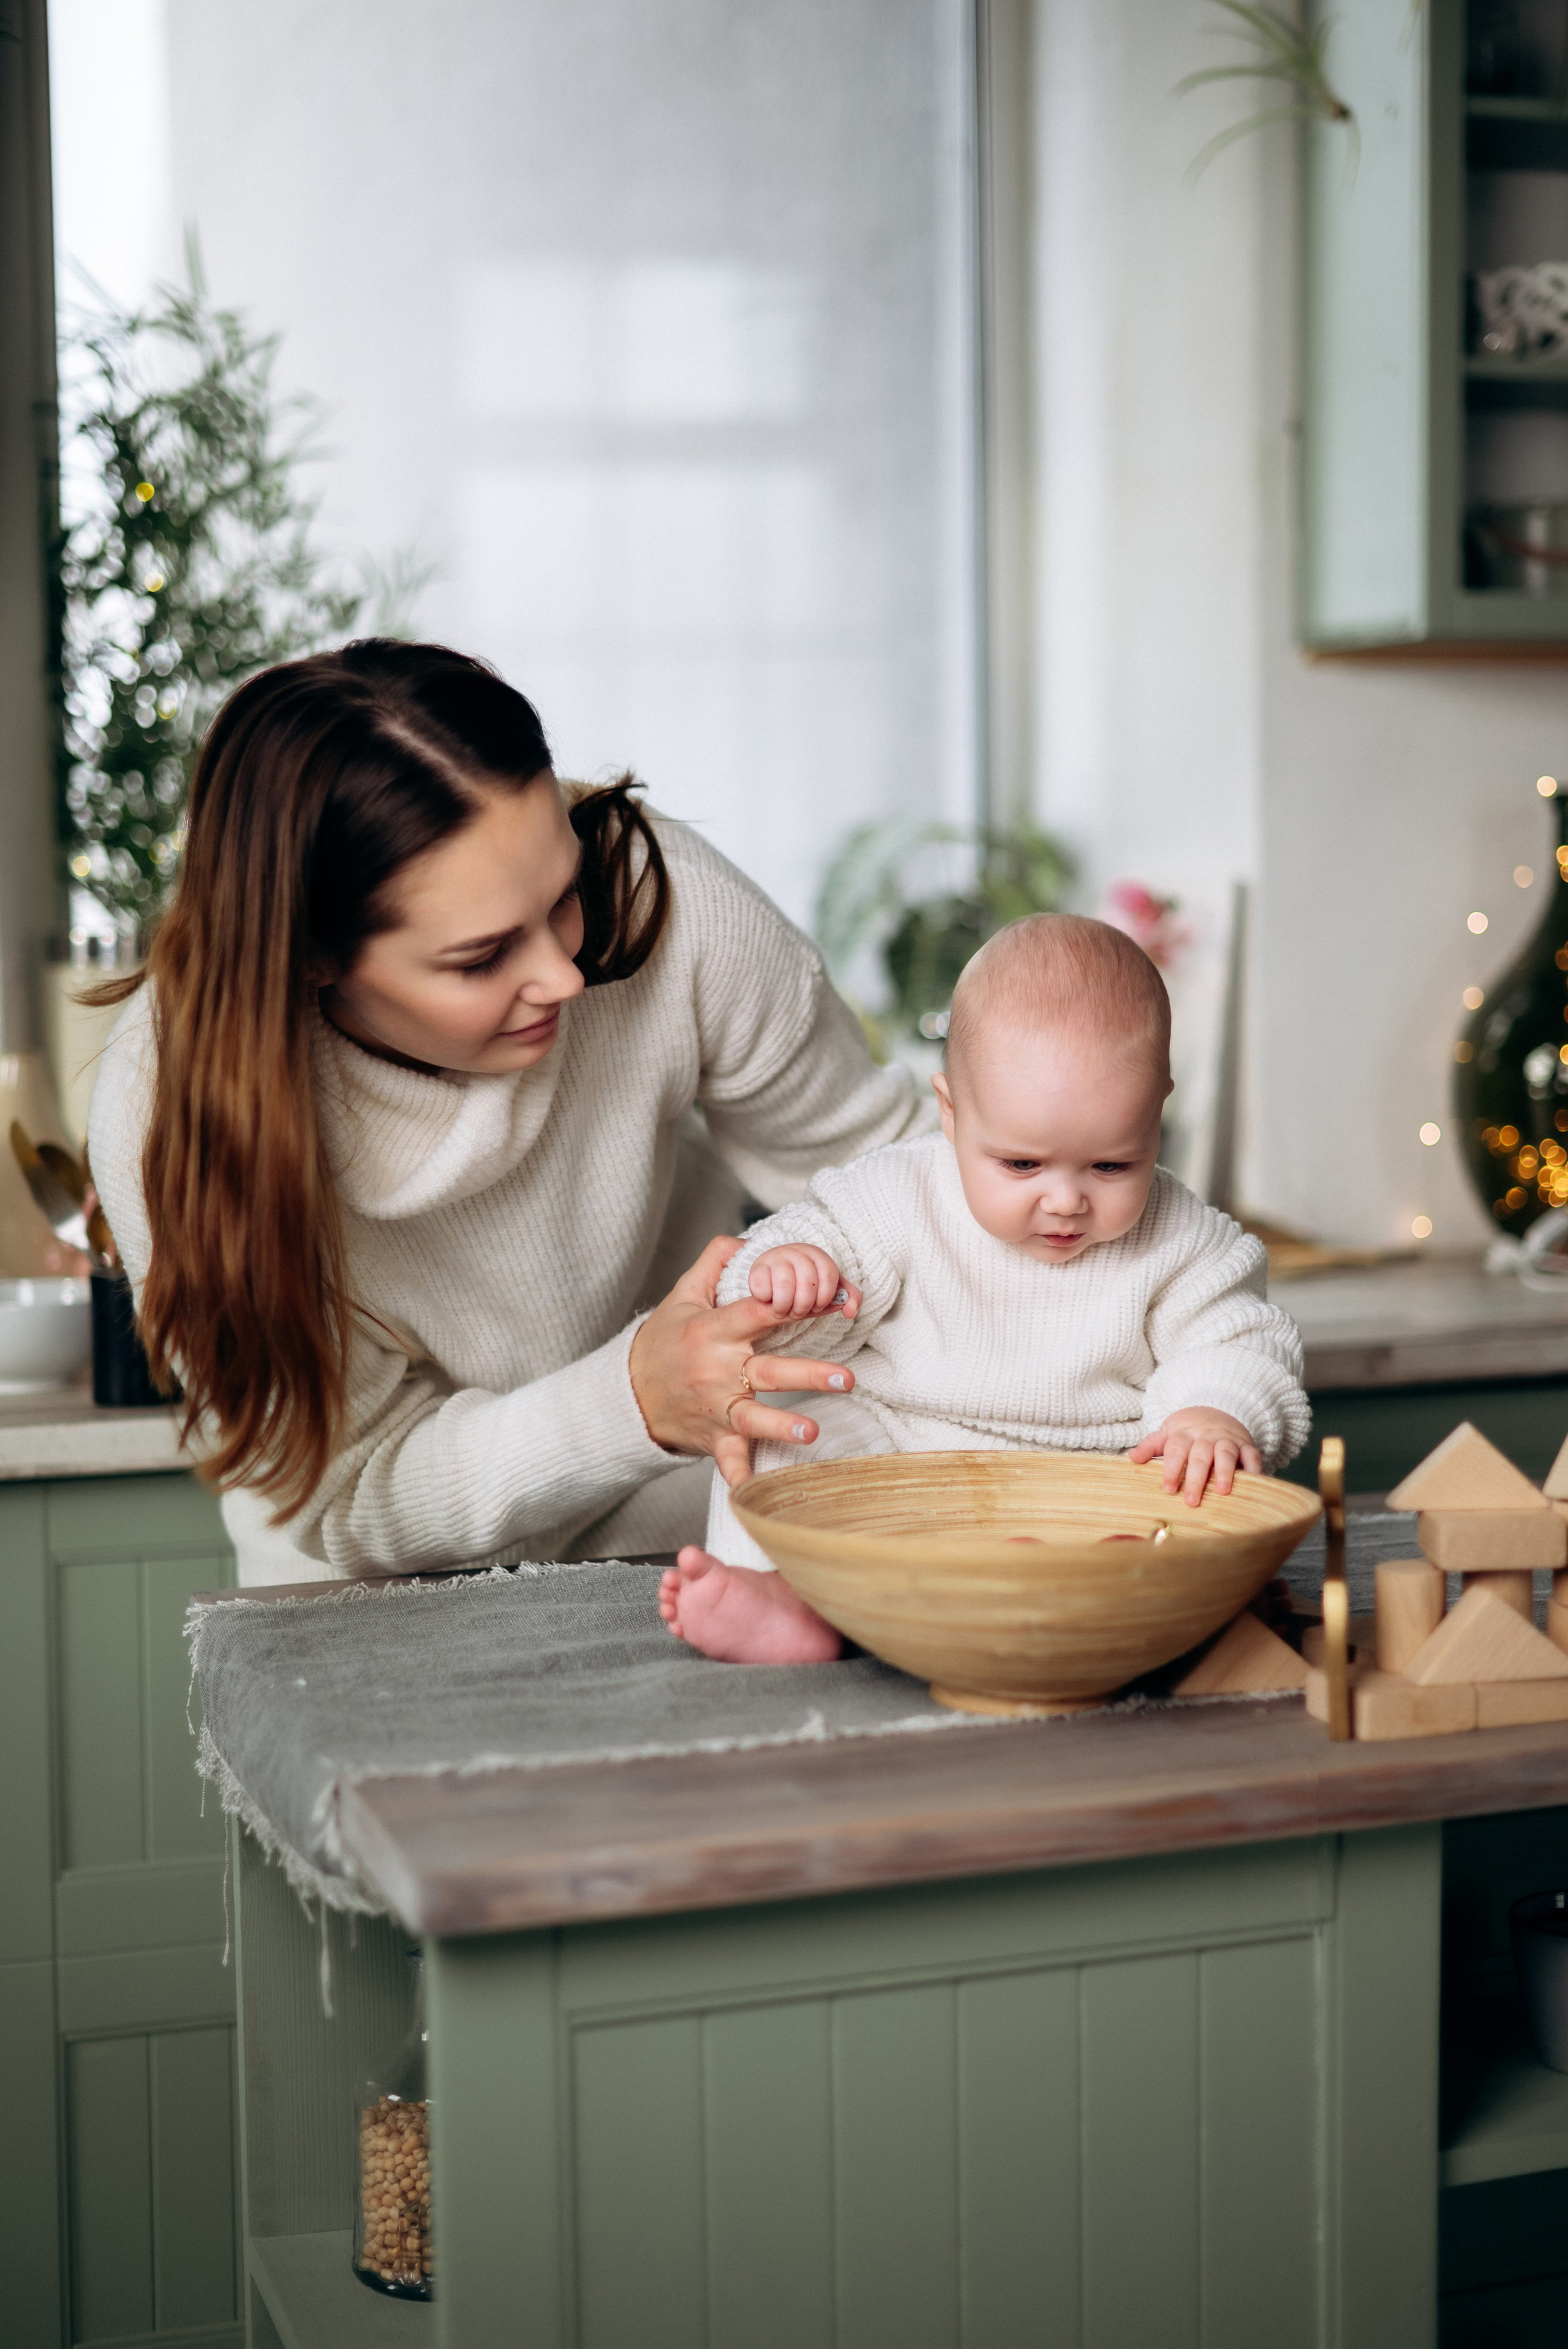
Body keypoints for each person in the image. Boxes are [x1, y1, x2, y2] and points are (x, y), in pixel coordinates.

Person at [88, 640, 933, 1585]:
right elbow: (354, 1494)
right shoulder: (164, 1115)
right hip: (360, 1579)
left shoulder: (672, 903)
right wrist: (633, 1399)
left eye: (565, 894)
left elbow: (910, 1186)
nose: (566, 976)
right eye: (482, 956)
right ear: (311, 960)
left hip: (688, 1491)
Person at [658, 912, 1310, 1662]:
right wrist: (791, 1275)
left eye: (1110, 1166)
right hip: (905, 1455)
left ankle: (1133, 1617)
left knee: (1203, 1485)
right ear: (951, 1112)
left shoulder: (1182, 1240)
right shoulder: (896, 1195)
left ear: (1156, 1111)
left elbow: (1239, 1337)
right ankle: (781, 1597)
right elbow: (790, 1279)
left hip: (1095, 1479)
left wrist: (1213, 1413)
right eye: (1023, 1166)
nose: (1065, 1201)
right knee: (779, 1438)